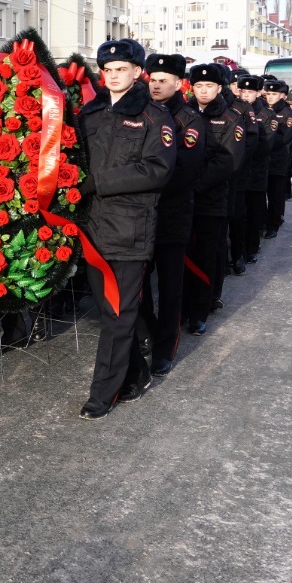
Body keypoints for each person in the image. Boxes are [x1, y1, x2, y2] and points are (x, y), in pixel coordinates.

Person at [75, 40, 176, 420]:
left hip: (130, 229)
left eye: (122, 69)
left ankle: (104, 392)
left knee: (119, 315)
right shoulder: (90, 113)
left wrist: (97, 182)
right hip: (92, 227)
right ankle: (136, 374)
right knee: (111, 312)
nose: (114, 76)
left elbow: (157, 170)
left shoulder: (154, 116)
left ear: (137, 72)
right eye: (108, 70)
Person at [137, 53, 206, 374]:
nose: (156, 85)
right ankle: (148, 333)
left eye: (163, 81)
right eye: (153, 80)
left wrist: (143, 184)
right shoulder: (141, 112)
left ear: (179, 84)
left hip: (172, 211)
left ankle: (165, 347)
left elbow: (183, 169)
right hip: (140, 214)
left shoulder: (189, 120)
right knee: (137, 284)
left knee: (169, 285)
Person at [181, 63, 245, 341]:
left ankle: (200, 311)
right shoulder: (181, 114)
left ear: (219, 88)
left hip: (211, 200)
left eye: (209, 86)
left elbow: (228, 161)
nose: (203, 91)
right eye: (198, 86)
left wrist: (194, 184)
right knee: (182, 257)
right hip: (182, 200)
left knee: (206, 256)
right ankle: (182, 308)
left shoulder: (230, 118)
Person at [228, 74, 268, 272]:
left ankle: (249, 249)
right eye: (242, 90)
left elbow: (263, 144)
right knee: (238, 214)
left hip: (255, 170)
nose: (244, 95)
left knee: (251, 212)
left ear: (258, 93)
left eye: (249, 91)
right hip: (238, 171)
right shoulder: (233, 108)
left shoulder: (263, 113)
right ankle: (238, 252)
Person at [261, 78, 292, 238]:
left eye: (274, 94)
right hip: (262, 160)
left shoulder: (289, 114)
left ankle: (273, 225)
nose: (270, 97)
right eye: (268, 94)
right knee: (260, 195)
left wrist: (263, 142)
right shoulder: (262, 111)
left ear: (282, 95)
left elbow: (284, 138)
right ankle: (262, 222)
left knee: (275, 195)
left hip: (278, 160)